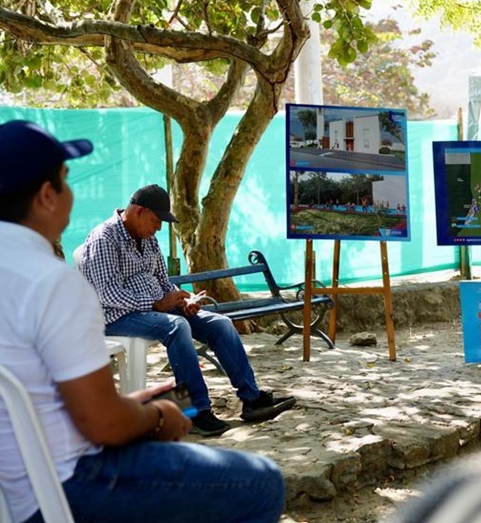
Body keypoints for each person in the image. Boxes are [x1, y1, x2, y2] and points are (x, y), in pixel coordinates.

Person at [0, 120, 285, 523]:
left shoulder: (27, 271)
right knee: (262, 483)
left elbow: (63, 400)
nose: (71, 194)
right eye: (66, 181)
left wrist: (178, 299)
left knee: (214, 323)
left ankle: (251, 398)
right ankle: (195, 411)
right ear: (47, 196)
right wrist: (156, 417)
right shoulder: (55, 277)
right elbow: (103, 423)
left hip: (17, 480)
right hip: (63, 483)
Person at [79, 184, 295, 436]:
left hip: (156, 310)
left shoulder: (148, 239)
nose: (159, 227)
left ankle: (252, 399)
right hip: (116, 317)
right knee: (177, 326)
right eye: (156, 220)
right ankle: (195, 411)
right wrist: (156, 304)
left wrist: (184, 300)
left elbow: (161, 280)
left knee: (220, 324)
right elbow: (106, 293)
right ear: (139, 211)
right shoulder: (103, 238)